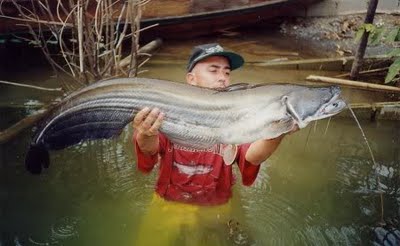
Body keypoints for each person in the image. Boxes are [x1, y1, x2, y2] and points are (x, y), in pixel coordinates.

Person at [132, 43, 297, 245]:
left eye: (227, 73)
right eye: (214, 70)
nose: (223, 78)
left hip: (217, 206)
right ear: (191, 79)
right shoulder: (168, 109)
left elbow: (252, 156)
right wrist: (145, 133)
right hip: (169, 203)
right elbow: (149, 150)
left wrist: (278, 130)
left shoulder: (238, 117)